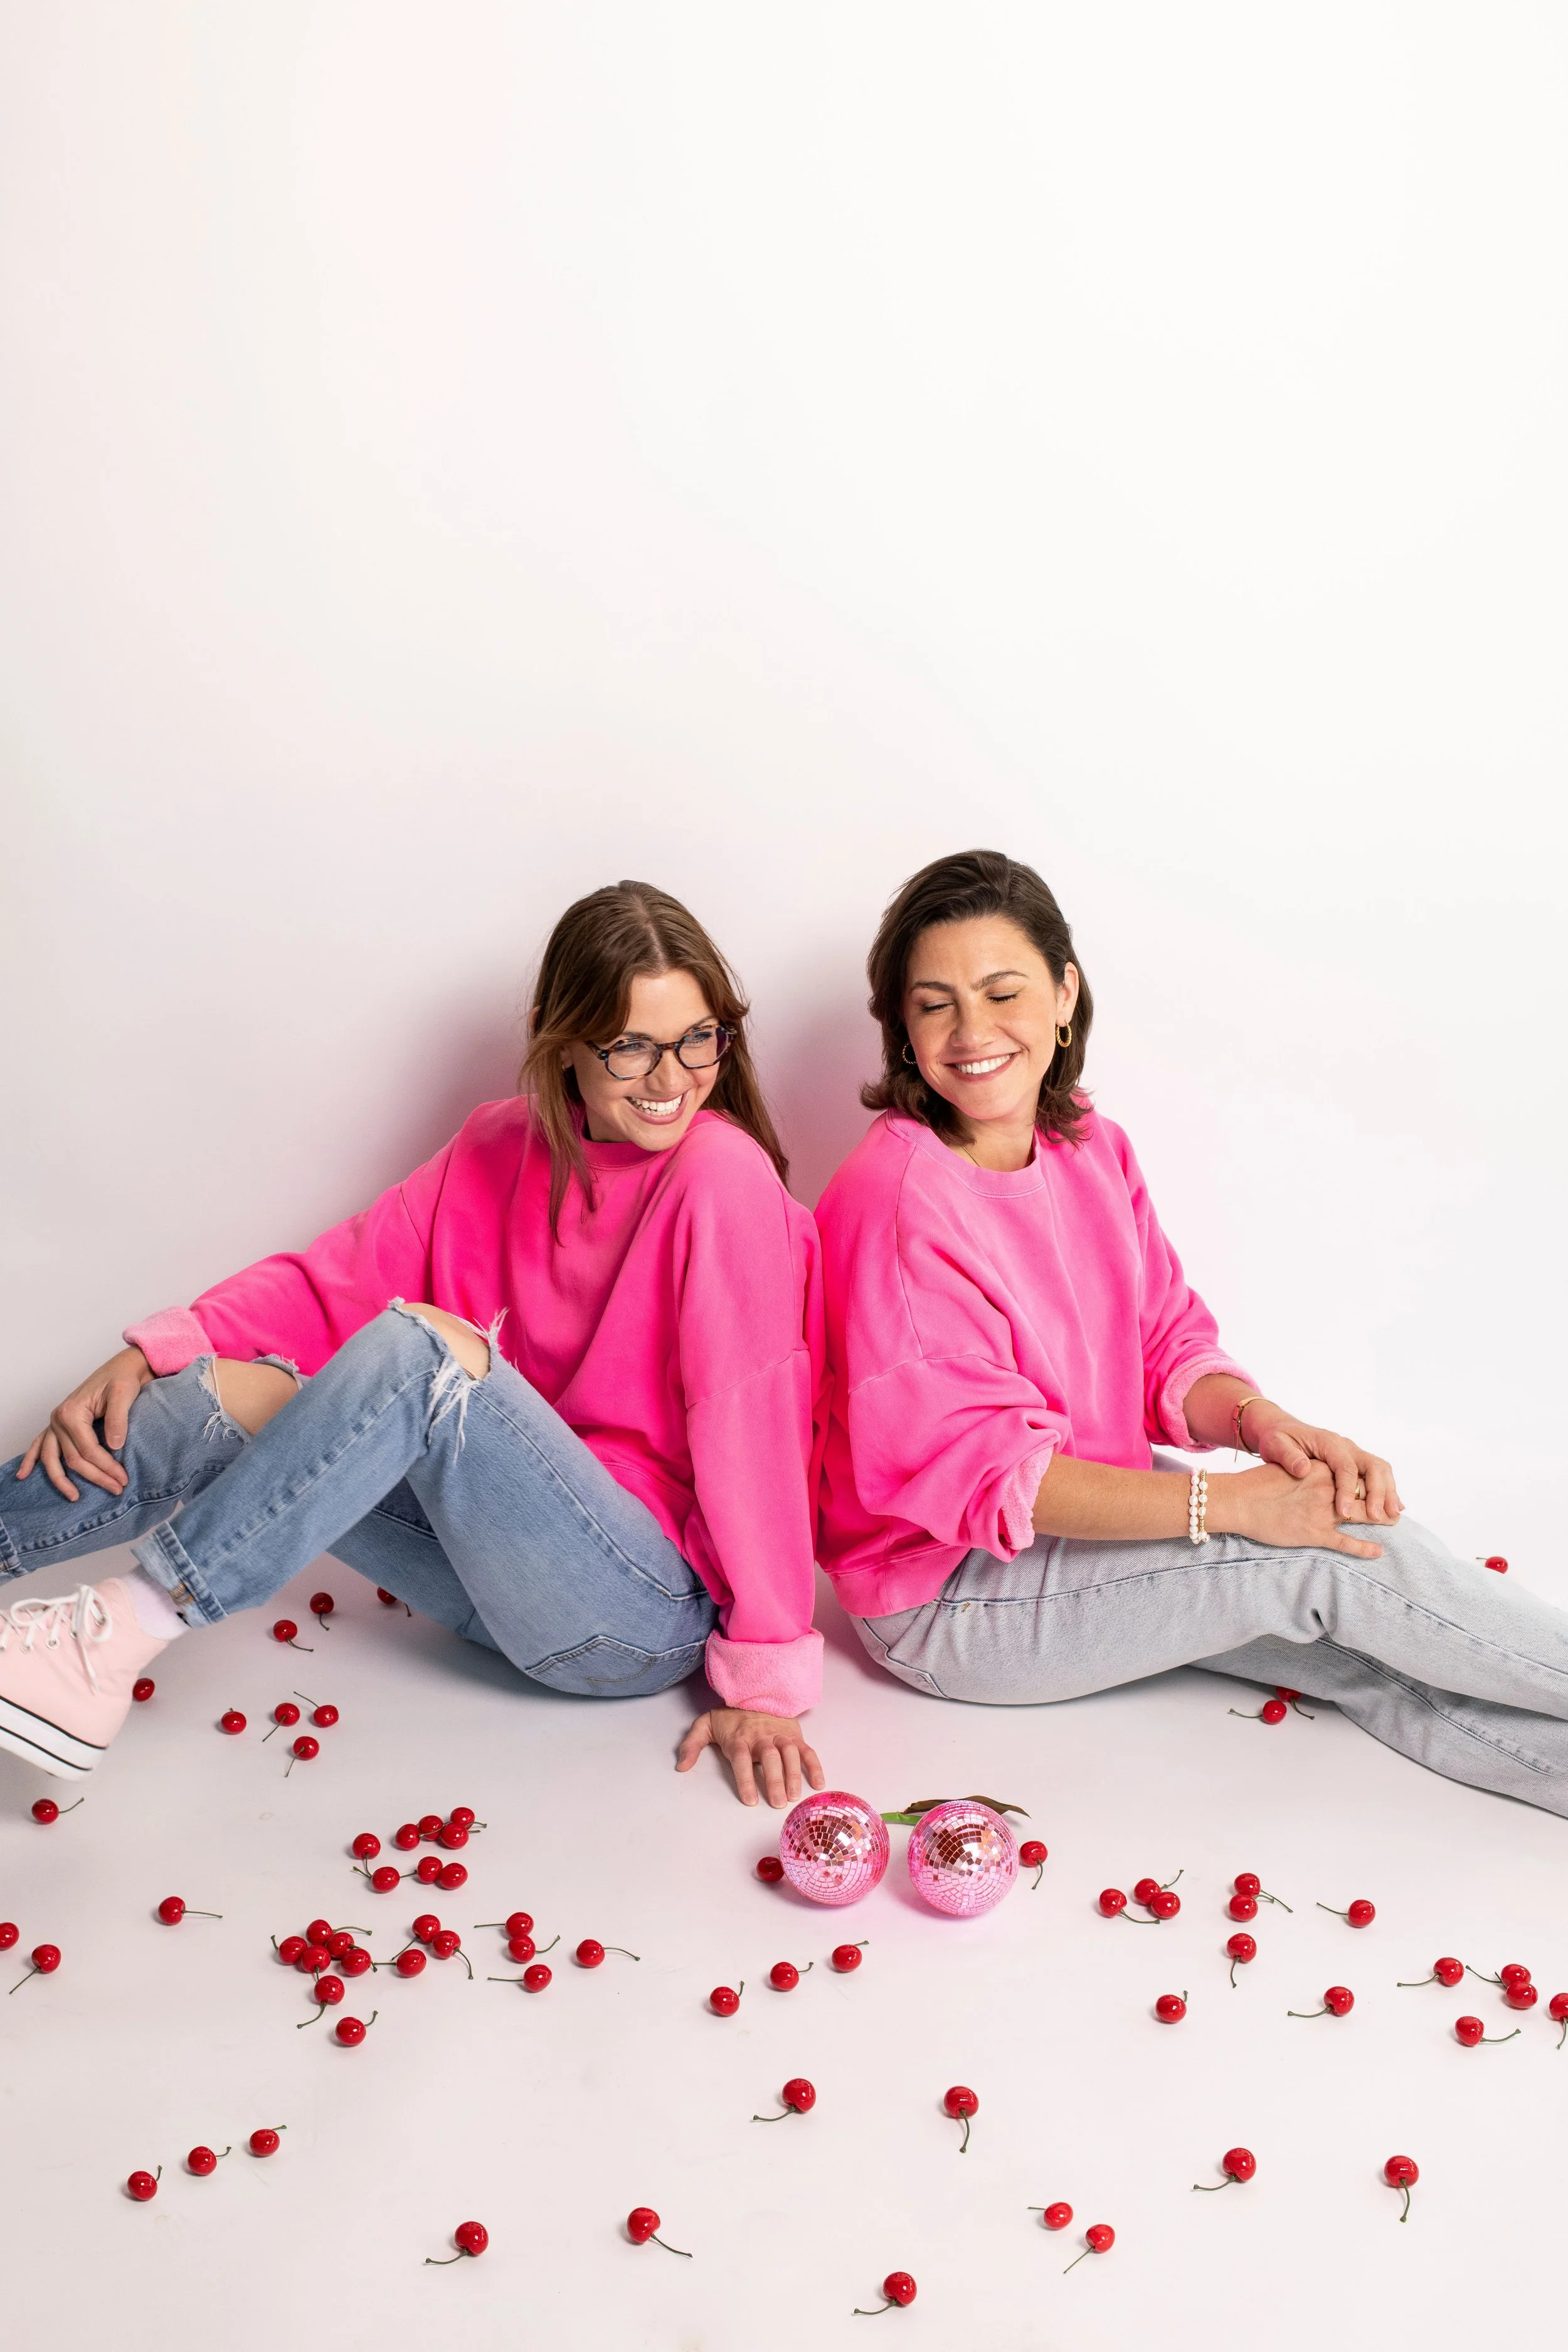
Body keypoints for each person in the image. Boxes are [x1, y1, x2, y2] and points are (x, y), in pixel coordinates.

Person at [1, 881, 826, 1808]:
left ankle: (123, 1627)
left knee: (426, 1350)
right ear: (565, 1042)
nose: (671, 1077)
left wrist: (766, 1677)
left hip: (635, 1614)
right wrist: (164, 1346)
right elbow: (331, 1282)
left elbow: (754, 1423)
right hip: (491, 1576)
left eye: (697, 1038)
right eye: (631, 1045)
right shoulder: (497, 1144)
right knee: (220, 1394)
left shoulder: (722, 1175)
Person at [815, 847, 1568, 1815]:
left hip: (1091, 1516)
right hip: (950, 1600)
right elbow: (1005, 1479)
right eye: (934, 1004)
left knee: (1355, 1620)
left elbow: (1165, 1336)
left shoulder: (1086, 1141)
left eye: (1002, 991)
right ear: (902, 1027)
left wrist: (1264, 1426)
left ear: (1063, 993)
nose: (972, 1032)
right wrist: (1232, 1510)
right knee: (1314, 1548)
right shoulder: (895, 1202)